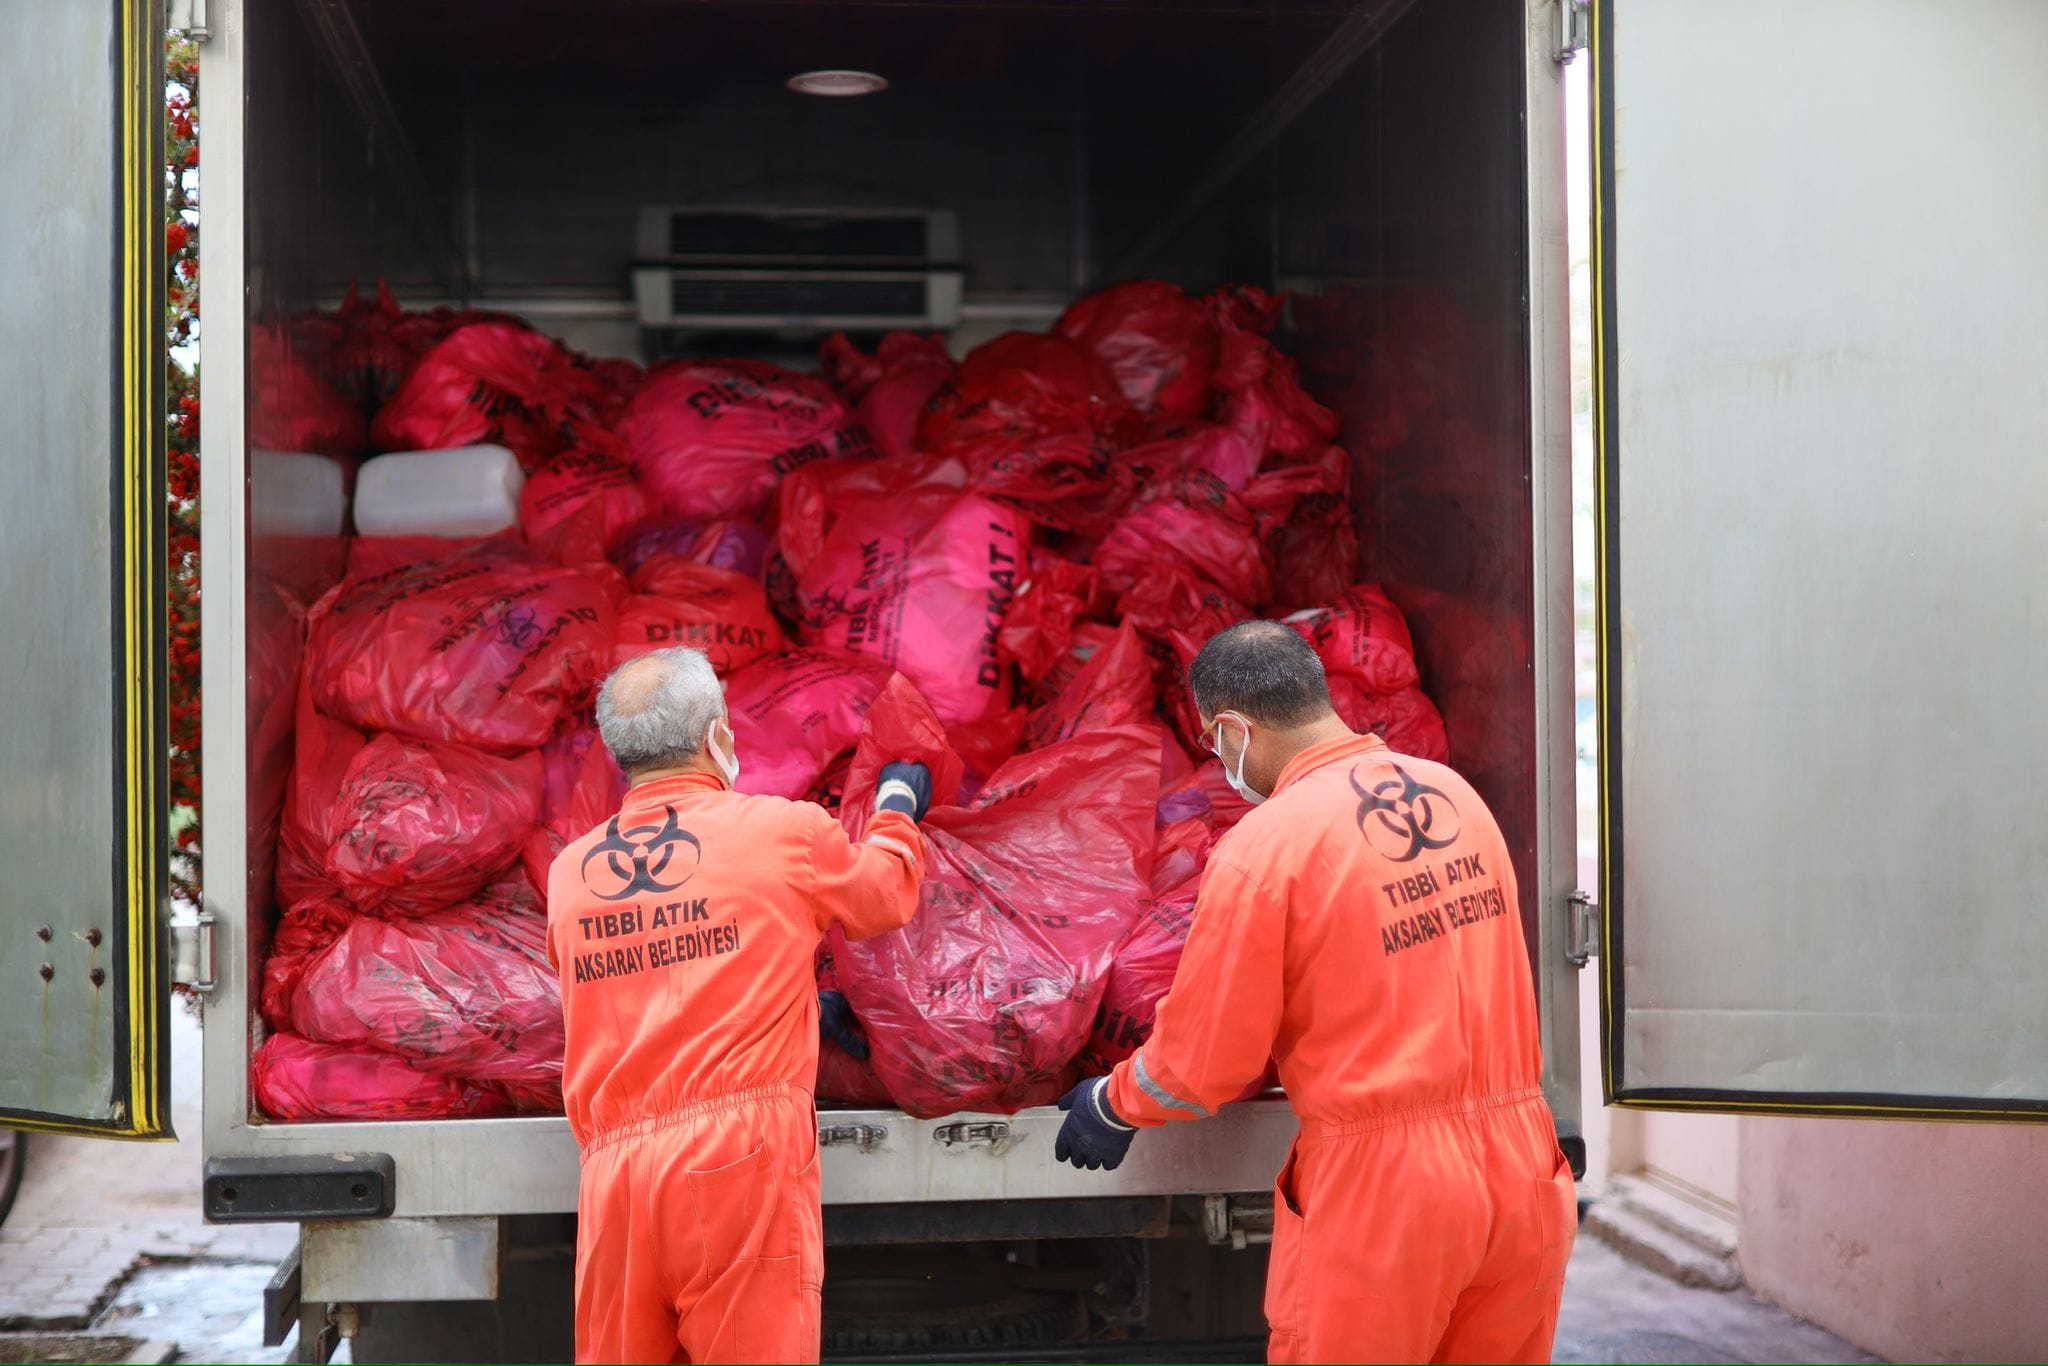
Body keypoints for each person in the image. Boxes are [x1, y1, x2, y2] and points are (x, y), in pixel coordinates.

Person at [1054, 622, 1576, 1364]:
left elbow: (1206, 1060)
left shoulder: (1268, 847)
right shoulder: (1458, 800)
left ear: (1236, 728)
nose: (1221, 760)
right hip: (1524, 1169)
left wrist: (1112, 1103)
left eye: (1213, 744)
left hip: (1388, 1198)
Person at [547, 646, 933, 1364]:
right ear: (716, 737)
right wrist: (897, 809)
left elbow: (639, 982)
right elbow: (883, 898)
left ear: (618, 755)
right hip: (737, 1161)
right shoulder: (783, 832)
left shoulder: (570, 874)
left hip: (612, 1177)